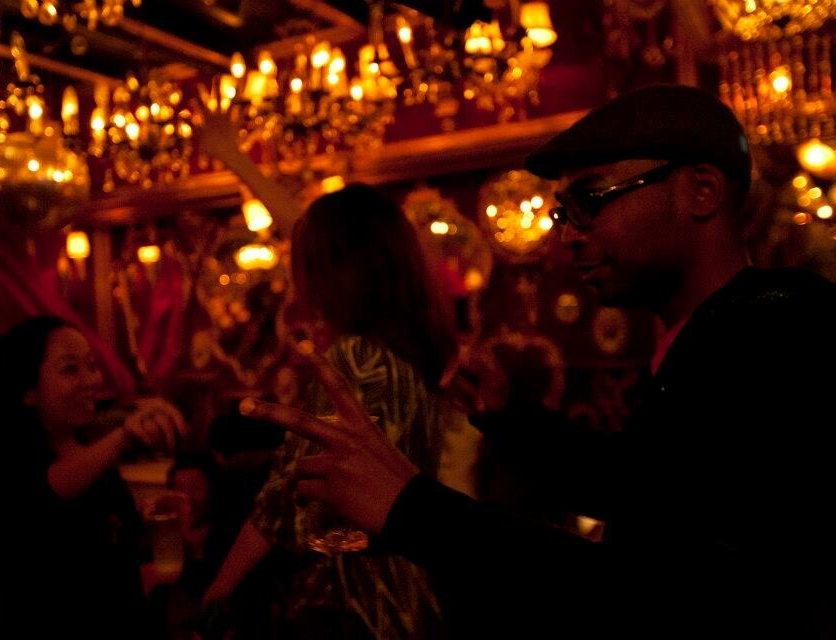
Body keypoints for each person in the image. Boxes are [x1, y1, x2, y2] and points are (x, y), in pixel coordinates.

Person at [238, 84, 836, 638]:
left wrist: (410, 508)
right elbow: (645, 490)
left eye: (591, 200)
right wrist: (509, 417)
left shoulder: (777, 333)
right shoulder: (713, 333)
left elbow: (660, 591)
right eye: (562, 214)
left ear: (702, 191)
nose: (568, 235)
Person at [198, 163, 458, 636]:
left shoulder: (355, 356)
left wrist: (218, 590)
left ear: (335, 271)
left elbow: (286, 498)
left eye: (307, 263)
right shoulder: (410, 350)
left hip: (354, 599)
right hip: (407, 590)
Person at [0, 315, 188, 639]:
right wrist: (123, 436)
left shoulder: (90, 451)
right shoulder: (1, 464)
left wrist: (151, 518)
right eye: (70, 369)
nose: (91, 380)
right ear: (28, 391)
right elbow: (44, 496)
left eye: (91, 366)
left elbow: (105, 544)